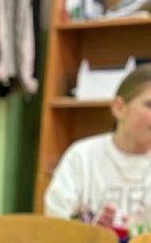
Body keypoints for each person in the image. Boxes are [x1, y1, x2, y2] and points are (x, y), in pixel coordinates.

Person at [44, 64, 151, 231]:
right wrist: (91, 235)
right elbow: (55, 223)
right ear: (119, 108)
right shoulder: (82, 156)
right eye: (149, 105)